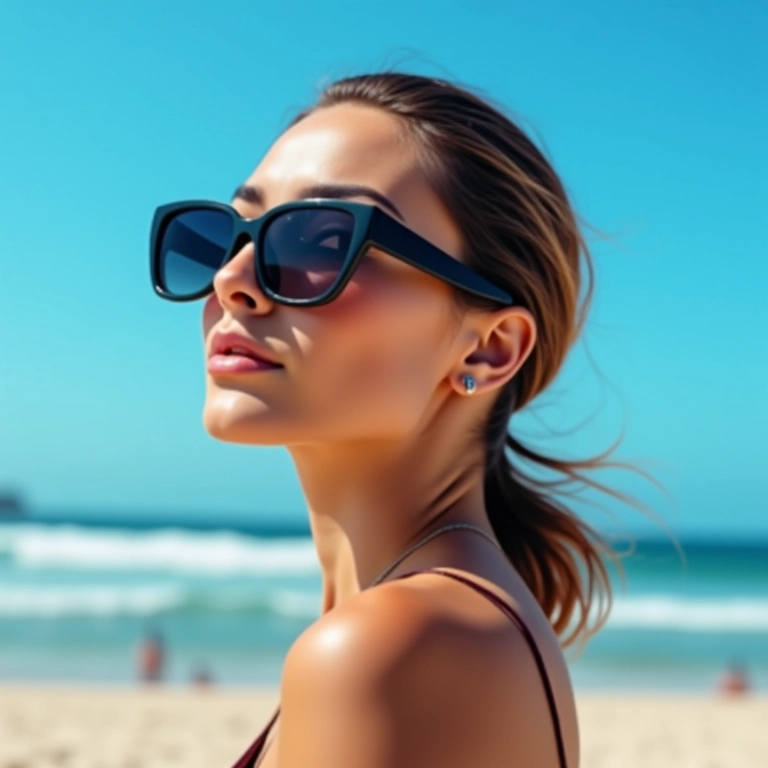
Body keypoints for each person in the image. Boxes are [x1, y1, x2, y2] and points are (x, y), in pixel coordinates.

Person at [149, 72, 624, 768]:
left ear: (489, 349)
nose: (232, 279)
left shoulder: (387, 649)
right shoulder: (436, 625)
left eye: (317, 241)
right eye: (223, 237)